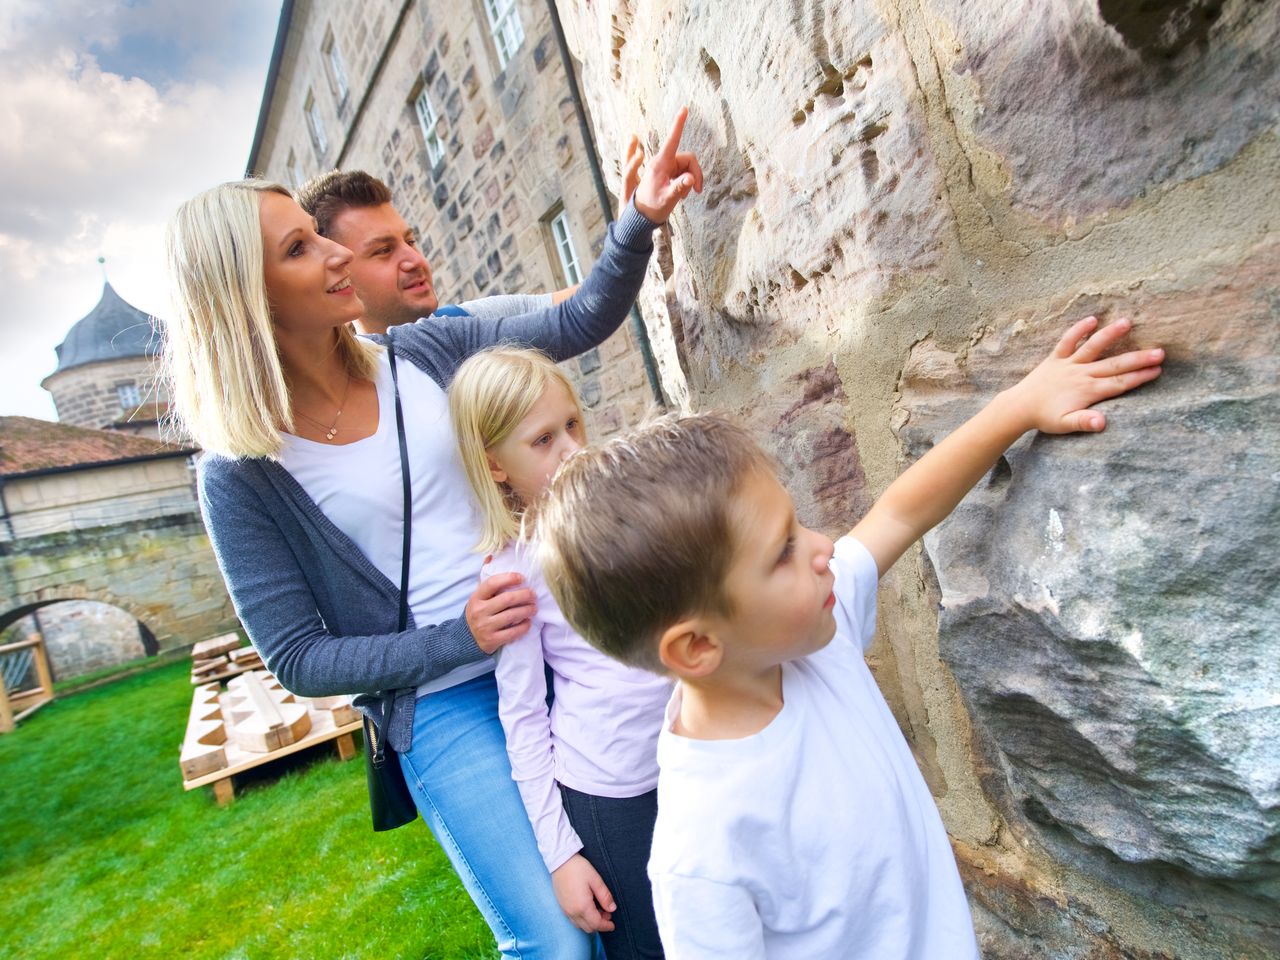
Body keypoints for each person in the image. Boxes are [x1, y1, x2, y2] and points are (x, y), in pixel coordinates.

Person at [163, 108, 702, 960]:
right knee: (560, 940)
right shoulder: (240, 469)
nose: (337, 254)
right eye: (302, 249)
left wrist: (637, 217)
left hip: (566, 649)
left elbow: (576, 323)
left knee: (652, 892)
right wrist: (457, 638)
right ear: (243, 296)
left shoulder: (425, 350)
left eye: (318, 234)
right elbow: (299, 656)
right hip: (446, 705)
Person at [535, 317, 1164, 958]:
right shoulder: (702, 849)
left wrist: (1018, 407)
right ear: (697, 647)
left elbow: (898, 512)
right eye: (782, 551)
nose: (822, 546)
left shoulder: (806, 643)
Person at [449, 346, 672, 959]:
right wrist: (561, 855)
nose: (572, 448)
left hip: (691, 757)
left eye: (571, 424)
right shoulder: (514, 573)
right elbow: (522, 718)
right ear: (496, 465)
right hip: (612, 795)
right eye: (542, 440)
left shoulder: (634, 510)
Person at [297, 136, 645, 335]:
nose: (414, 260)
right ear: (338, 270)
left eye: (411, 241)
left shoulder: (463, 325)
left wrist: (633, 220)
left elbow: (586, 309)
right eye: (383, 251)